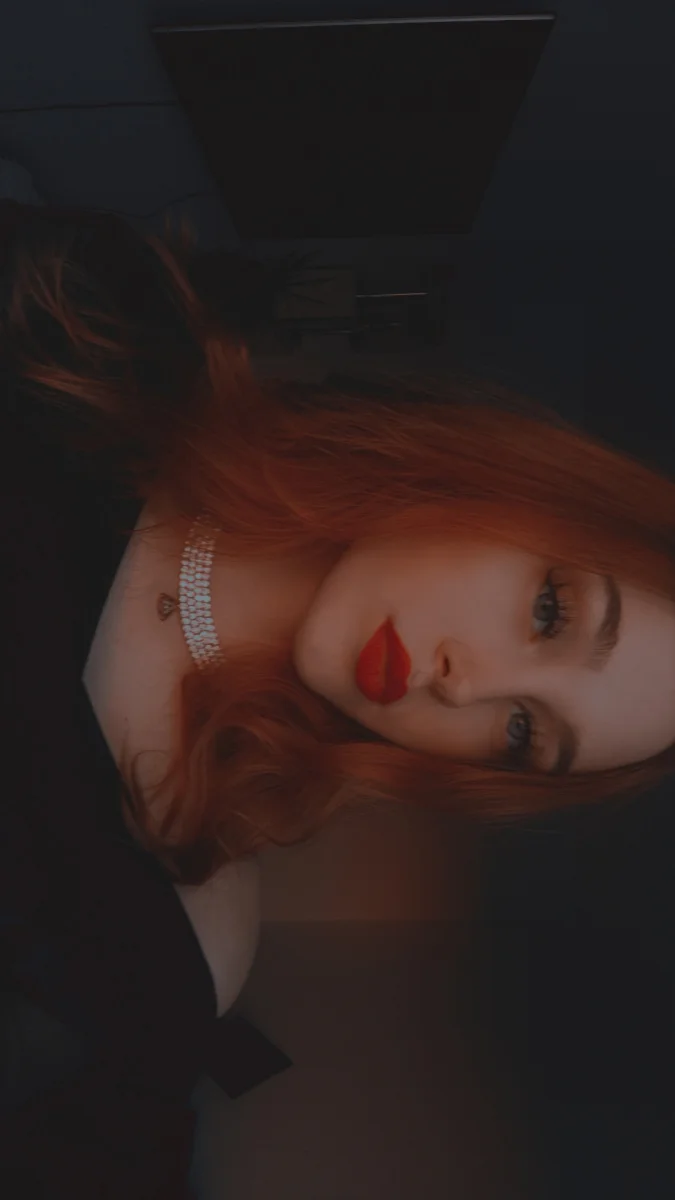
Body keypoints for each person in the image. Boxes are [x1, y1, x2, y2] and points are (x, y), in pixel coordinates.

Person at [1, 198, 674, 1194]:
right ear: (511, 486)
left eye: (522, 732)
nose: (466, 686)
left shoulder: (176, 947)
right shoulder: (99, 323)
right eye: (549, 610)